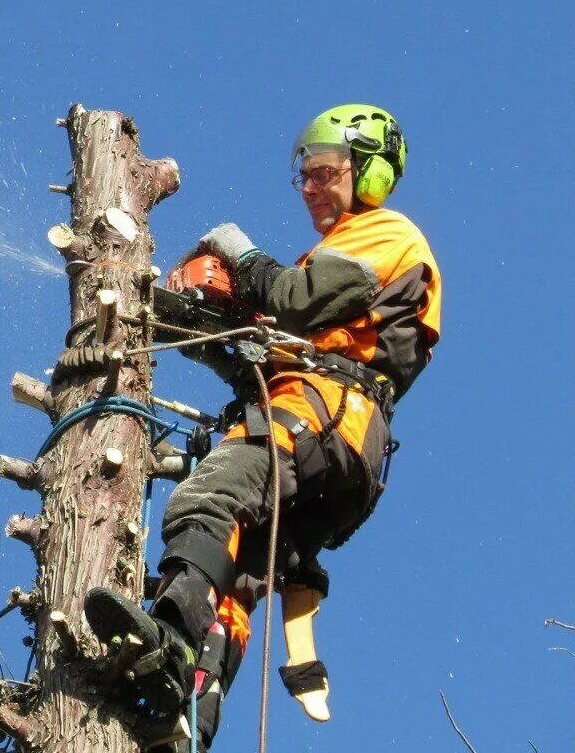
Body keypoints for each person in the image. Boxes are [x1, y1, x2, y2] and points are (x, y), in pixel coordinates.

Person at [84, 104, 443, 751]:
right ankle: (186, 718)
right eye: (303, 175)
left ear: (369, 175)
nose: (310, 187)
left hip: (319, 415)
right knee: (234, 578)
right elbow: (269, 348)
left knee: (208, 496)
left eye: (325, 173)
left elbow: (293, 302)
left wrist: (238, 251)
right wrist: (200, 326)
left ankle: (166, 639)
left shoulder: (384, 233)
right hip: (340, 449)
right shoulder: (345, 262)